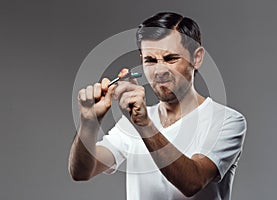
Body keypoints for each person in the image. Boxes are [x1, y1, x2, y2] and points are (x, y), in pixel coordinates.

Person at [68, 12, 247, 200]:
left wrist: (143, 125)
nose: (160, 71)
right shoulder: (132, 122)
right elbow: (82, 171)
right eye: (150, 60)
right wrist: (89, 123)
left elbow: (193, 182)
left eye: (171, 58)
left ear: (197, 58)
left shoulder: (227, 121)